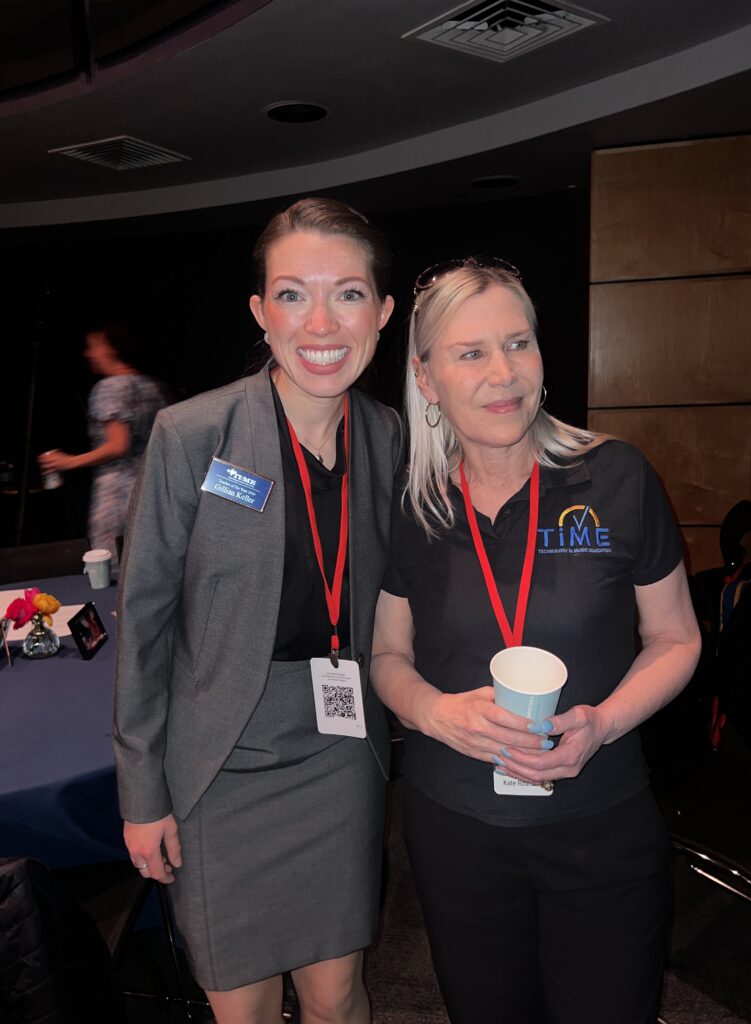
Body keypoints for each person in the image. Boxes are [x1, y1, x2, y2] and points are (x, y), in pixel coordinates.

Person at [370, 257, 702, 1024]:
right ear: (426, 379)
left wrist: (605, 722)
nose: (503, 373)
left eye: (518, 343)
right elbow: (385, 655)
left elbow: (676, 638)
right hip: (456, 832)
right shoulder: (410, 503)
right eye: (471, 353)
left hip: (600, 819)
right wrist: (433, 712)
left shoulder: (615, 477)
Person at [114, 198, 399, 1024]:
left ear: (381, 314)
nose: (320, 321)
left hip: (339, 752)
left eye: (347, 293)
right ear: (260, 312)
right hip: (217, 762)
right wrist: (142, 794)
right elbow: (144, 621)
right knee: (239, 1008)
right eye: (291, 294)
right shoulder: (191, 434)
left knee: (337, 994)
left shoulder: (389, 437)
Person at [38, 325, 167, 564]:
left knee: (113, 566)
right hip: (154, 487)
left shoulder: (109, 388)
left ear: (112, 348)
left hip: (118, 493)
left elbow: (118, 445)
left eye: (94, 346)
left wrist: (68, 461)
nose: (89, 353)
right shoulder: (151, 386)